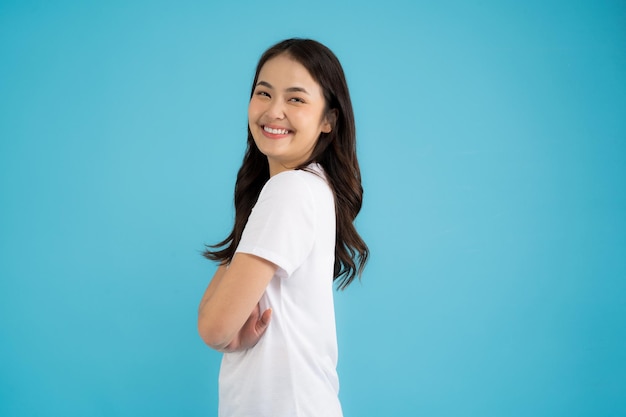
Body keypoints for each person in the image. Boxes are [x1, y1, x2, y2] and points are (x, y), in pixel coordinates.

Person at [197, 38, 368, 417]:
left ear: (329, 120)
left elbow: (212, 325)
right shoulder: (310, 187)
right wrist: (225, 330)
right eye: (264, 93)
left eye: (296, 99)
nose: (274, 111)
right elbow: (219, 325)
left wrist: (223, 331)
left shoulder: (290, 190)